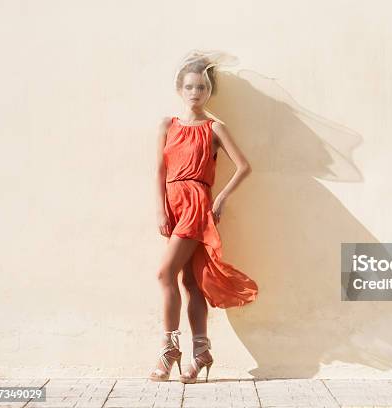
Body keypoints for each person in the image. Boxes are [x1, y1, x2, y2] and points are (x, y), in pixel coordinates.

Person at [149, 50, 259, 383]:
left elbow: (244, 167)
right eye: (190, 87)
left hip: (196, 203)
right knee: (190, 282)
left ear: (209, 91)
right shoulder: (167, 125)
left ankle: (170, 350)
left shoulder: (215, 128)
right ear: (180, 89)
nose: (196, 93)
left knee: (164, 274)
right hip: (173, 203)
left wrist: (221, 199)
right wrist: (159, 207)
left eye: (201, 87)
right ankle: (201, 353)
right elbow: (159, 170)